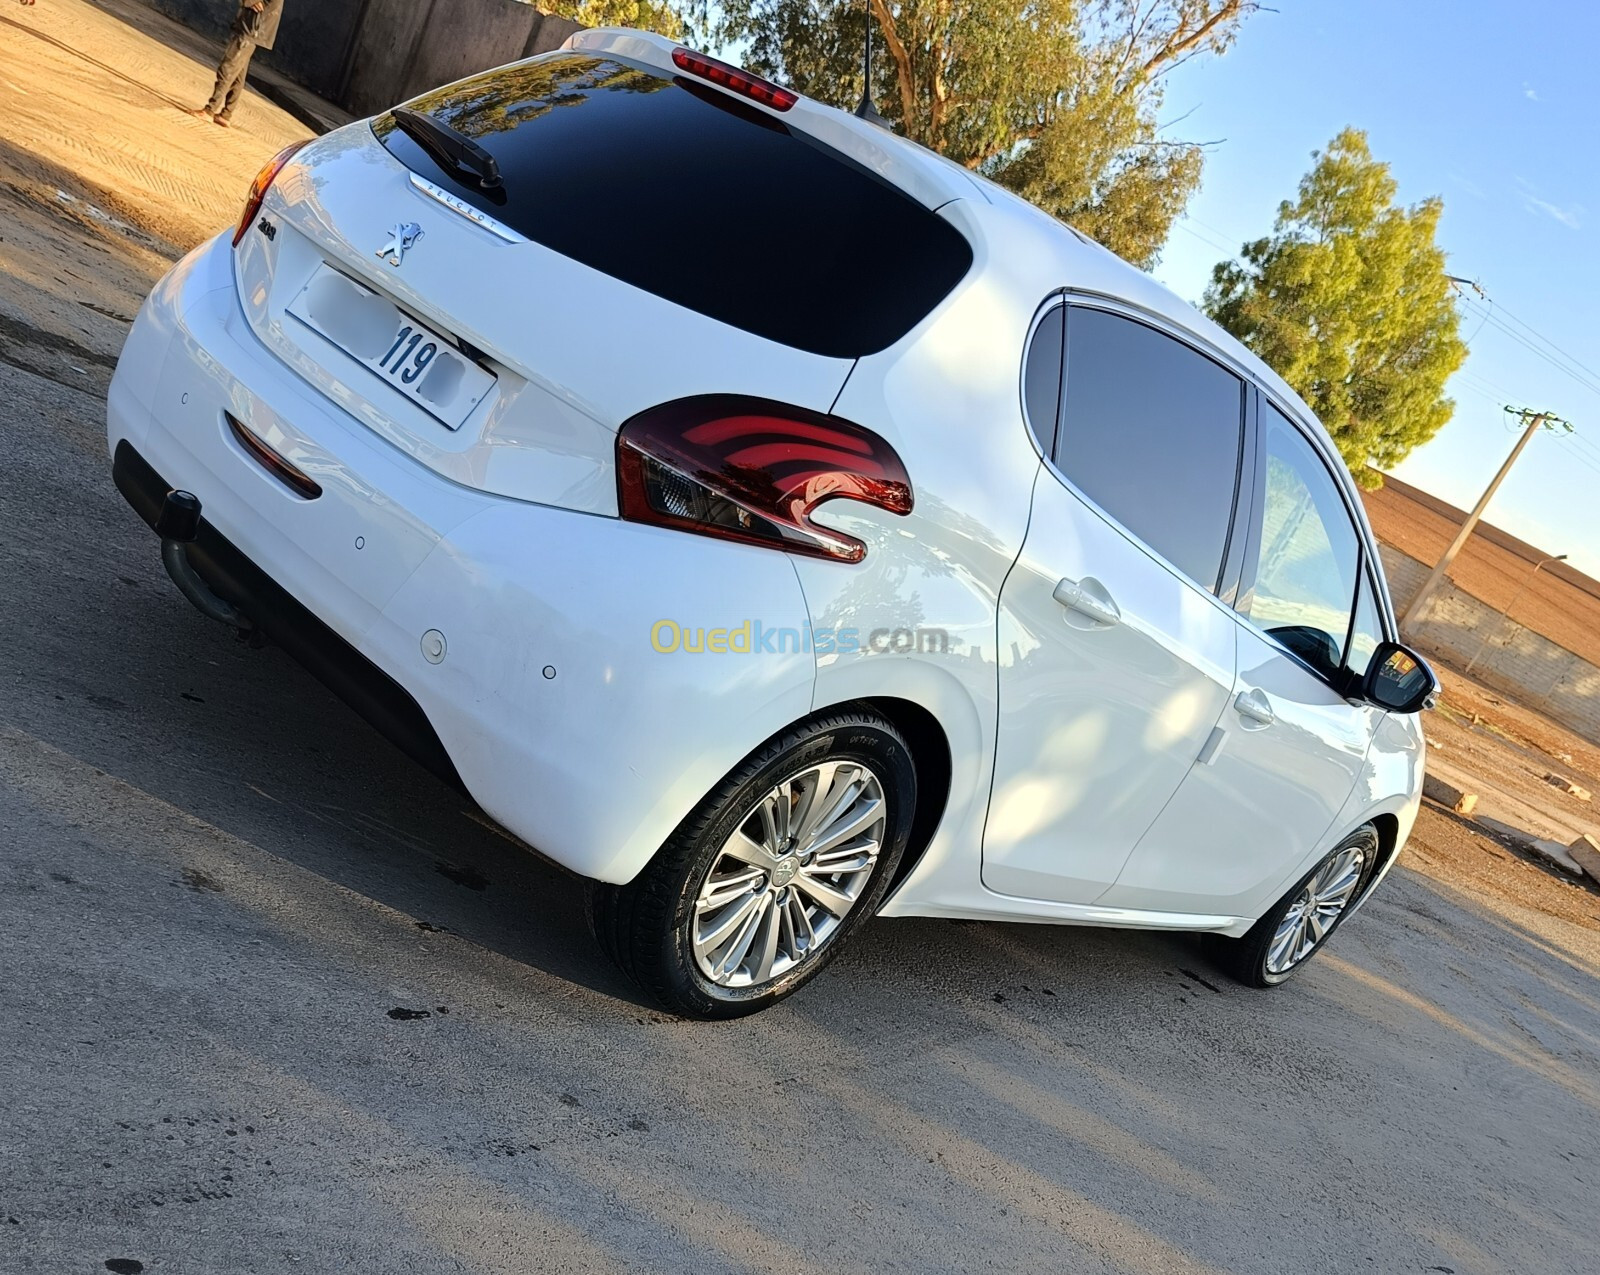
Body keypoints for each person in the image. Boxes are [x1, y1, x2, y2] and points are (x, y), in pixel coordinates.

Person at [190, 0, 284, 128]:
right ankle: (226, 115)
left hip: (251, 28)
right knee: (238, 74)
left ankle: (209, 110)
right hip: (250, 26)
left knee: (227, 68)